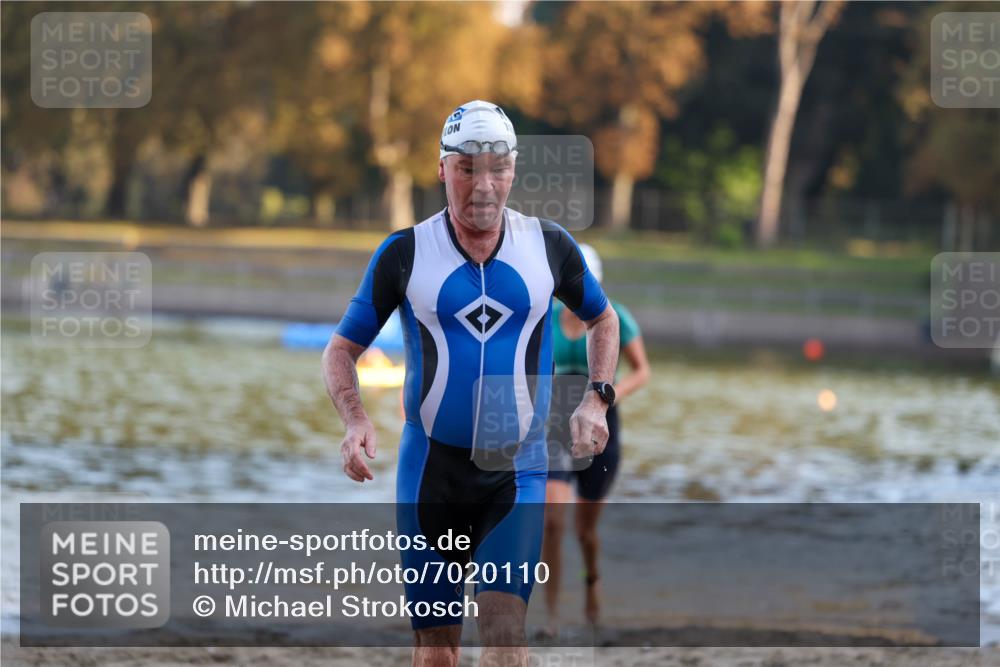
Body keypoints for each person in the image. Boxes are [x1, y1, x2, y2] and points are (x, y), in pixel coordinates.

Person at [322, 100, 620, 667]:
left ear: (514, 169)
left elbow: (604, 320)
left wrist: (596, 399)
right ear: (441, 170)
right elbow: (341, 350)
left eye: (497, 168)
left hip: (516, 470)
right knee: (437, 655)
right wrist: (356, 418)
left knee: (504, 642)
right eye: (465, 168)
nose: (482, 185)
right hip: (429, 470)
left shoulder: (550, 246)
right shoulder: (404, 253)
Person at [541, 244, 650, 634]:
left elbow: (642, 370)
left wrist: (605, 396)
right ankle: (551, 614)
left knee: (584, 530)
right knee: (552, 521)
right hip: (555, 426)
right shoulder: (548, 316)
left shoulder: (614, 315)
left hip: (601, 425)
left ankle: (591, 581)